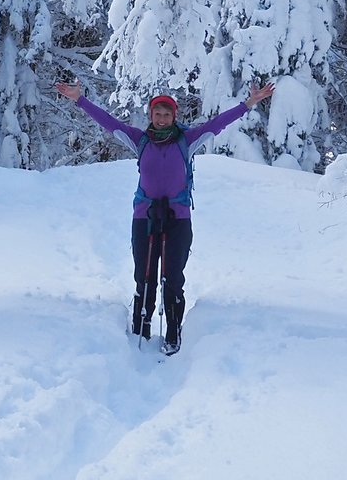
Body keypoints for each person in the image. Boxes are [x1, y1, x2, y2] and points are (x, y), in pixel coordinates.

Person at [55, 78, 275, 352]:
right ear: (150, 116)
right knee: (143, 276)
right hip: (144, 216)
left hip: (178, 218)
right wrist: (80, 99)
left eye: (166, 114)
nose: (161, 119)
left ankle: (173, 332)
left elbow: (218, 124)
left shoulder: (187, 141)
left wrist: (249, 103)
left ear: (174, 116)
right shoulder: (140, 140)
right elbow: (108, 122)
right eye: (157, 114)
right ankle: (141, 330)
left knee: (173, 277)